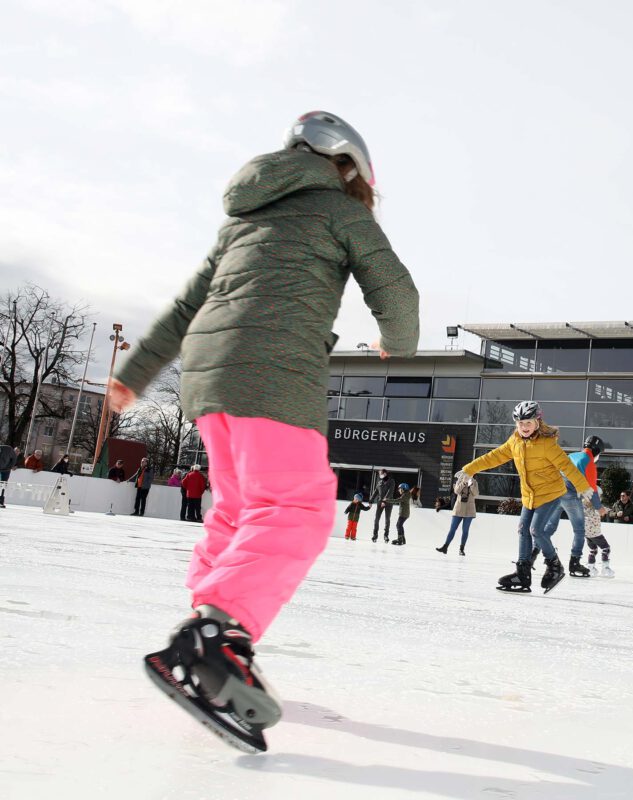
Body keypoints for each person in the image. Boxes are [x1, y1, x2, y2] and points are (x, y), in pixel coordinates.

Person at [107, 109, 419, 752]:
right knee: (296, 508)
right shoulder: (341, 210)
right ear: (348, 169)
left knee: (240, 511)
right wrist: (398, 341)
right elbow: (396, 289)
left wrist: (135, 373)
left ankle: (207, 627)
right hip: (274, 373)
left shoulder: (242, 219)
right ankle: (216, 639)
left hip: (209, 380)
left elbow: (186, 305)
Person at [459, 401, 593, 594]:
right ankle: (522, 574)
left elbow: (566, 466)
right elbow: (493, 457)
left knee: (536, 530)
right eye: (520, 423)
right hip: (529, 495)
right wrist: (469, 469)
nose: (524, 427)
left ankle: (555, 566)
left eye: (528, 423)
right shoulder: (514, 442)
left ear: (537, 422)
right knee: (523, 530)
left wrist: (582, 486)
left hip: (550, 494)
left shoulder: (547, 444)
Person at [538, 434, 605, 579]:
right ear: (597, 451)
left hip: (555, 492)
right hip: (570, 495)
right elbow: (592, 490)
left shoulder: (572, 455)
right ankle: (574, 564)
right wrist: (599, 508)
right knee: (579, 530)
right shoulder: (589, 463)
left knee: (548, 527)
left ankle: (531, 556)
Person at [436, 473, 479, 556]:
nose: (469, 475)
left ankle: (461, 549)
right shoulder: (460, 480)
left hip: (469, 509)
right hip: (458, 508)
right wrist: (463, 482)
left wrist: (471, 484)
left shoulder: (474, 482)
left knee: (465, 531)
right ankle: (445, 547)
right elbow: (456, 491)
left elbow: (476, 494)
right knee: (452, 529)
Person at [582, 497, 614, 577]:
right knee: (606, 549)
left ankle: (591, 567)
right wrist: (610, 510)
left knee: (593, 550)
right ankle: (605, 568)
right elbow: (603, 511)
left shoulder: (583, 509)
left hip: (587, 535)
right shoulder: (596, 509)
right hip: (596, 534)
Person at [369, 469, 396, 543]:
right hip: (380, 503)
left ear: (385, 473)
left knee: (387, 519)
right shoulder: (379, 483)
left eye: (381, 473)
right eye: (379, 474)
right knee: (377, 519)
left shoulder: (391, 481)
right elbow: (375, 492)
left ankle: (386, 535)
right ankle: (375, 535)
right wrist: (371, 501)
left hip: (388, 503)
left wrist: (385, 500)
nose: (380, 475)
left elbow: (390, 491)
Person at [0, 444, 20, 509]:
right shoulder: (6, 449)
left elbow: (14, 462)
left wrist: (9, 467)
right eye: (16, 451)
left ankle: (1, 501)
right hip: (3, 469)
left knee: (3, 485)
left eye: (18, 451)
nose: (17, 452)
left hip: (5, 470)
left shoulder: (13, 454)